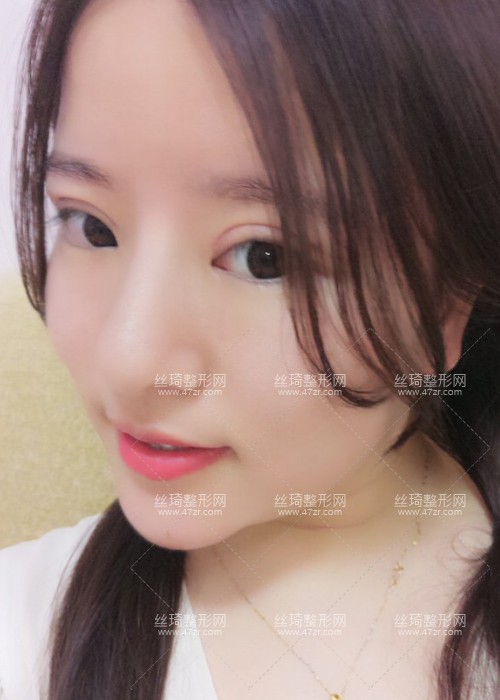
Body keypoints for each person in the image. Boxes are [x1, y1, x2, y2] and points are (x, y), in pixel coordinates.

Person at [1, 0, 499, 698]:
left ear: (449, 303)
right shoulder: (23, 632)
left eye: (265, 257)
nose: (128, 361)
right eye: (90, 226)